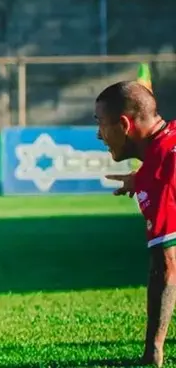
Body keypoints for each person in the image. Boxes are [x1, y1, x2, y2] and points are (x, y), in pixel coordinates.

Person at [98, 81, 176, 368]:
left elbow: (166, 267)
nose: (99, 134)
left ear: (123, 124)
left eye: (101, 124)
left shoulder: (159, 174)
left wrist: (153, 349)